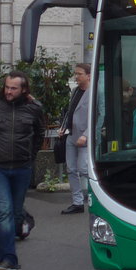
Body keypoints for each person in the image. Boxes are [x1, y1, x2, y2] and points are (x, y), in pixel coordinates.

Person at [0, 71, 44, 270]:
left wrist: (30, 155)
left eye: (14, 88)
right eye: (7, 87)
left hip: (22, 168)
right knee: (3, 211)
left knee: (14, 213)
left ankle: (2, 256)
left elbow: (39, 134)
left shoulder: (34, 109)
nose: (9, 91)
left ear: (24, 89)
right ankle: (8, 259)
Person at [58, 63, 90, 214]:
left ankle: (96, 198)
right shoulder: (75, 91)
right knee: (71, 169)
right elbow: (70, 111)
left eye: (79, 74)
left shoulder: (94, 93)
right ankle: (77, 202)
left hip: (84, 136)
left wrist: (86, 135)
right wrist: (63, 127)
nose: (76, 77)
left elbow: (99, 116)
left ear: (88, 76)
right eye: (75, 74)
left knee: (84, 168)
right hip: (71, 134)